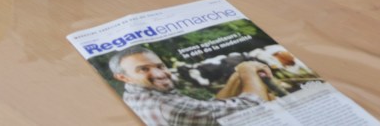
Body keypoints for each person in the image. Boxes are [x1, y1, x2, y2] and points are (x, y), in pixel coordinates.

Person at [109, 46, 267, 125]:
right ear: (123, 77)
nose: (160, 74)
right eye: (143, 69)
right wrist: (247, 70)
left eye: (160, 66)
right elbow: (255, 104)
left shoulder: (135, 92)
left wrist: (236, 77)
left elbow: (206, 109)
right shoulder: (163, 105)